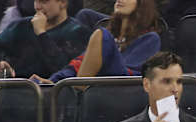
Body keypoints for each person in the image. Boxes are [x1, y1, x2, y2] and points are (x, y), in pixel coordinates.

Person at [31, 0, 161, 84]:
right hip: (95, 90)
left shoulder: (150, 39)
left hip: (121, 92)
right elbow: (78, 64)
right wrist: (53, 81)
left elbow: (126, 76)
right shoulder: (110, 37)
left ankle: (77, 91)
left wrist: (103, 57)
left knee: (101, 34)